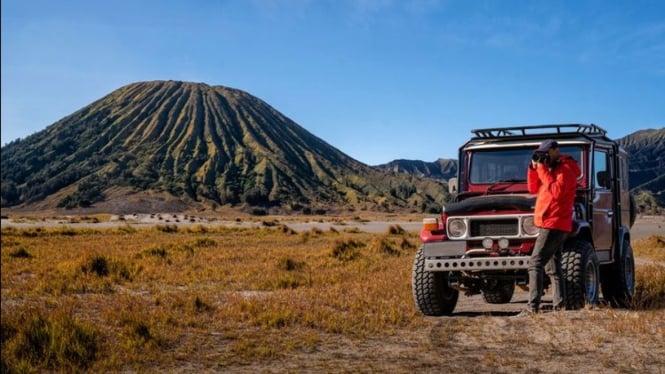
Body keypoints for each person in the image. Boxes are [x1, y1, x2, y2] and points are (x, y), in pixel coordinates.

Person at [524, 139, 580, 313]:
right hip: (548, 223)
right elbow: (533, 188)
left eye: (547, 152)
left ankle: (532, 307)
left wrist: (541, 169)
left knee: (535, 264)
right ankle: (560, 305)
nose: (544, 155)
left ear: (556, 150)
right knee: (552, 266)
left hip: (554, 223)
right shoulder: (550, 170)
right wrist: (533, 169)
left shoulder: (567, 169)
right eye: (542, 152)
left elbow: (556, 192)